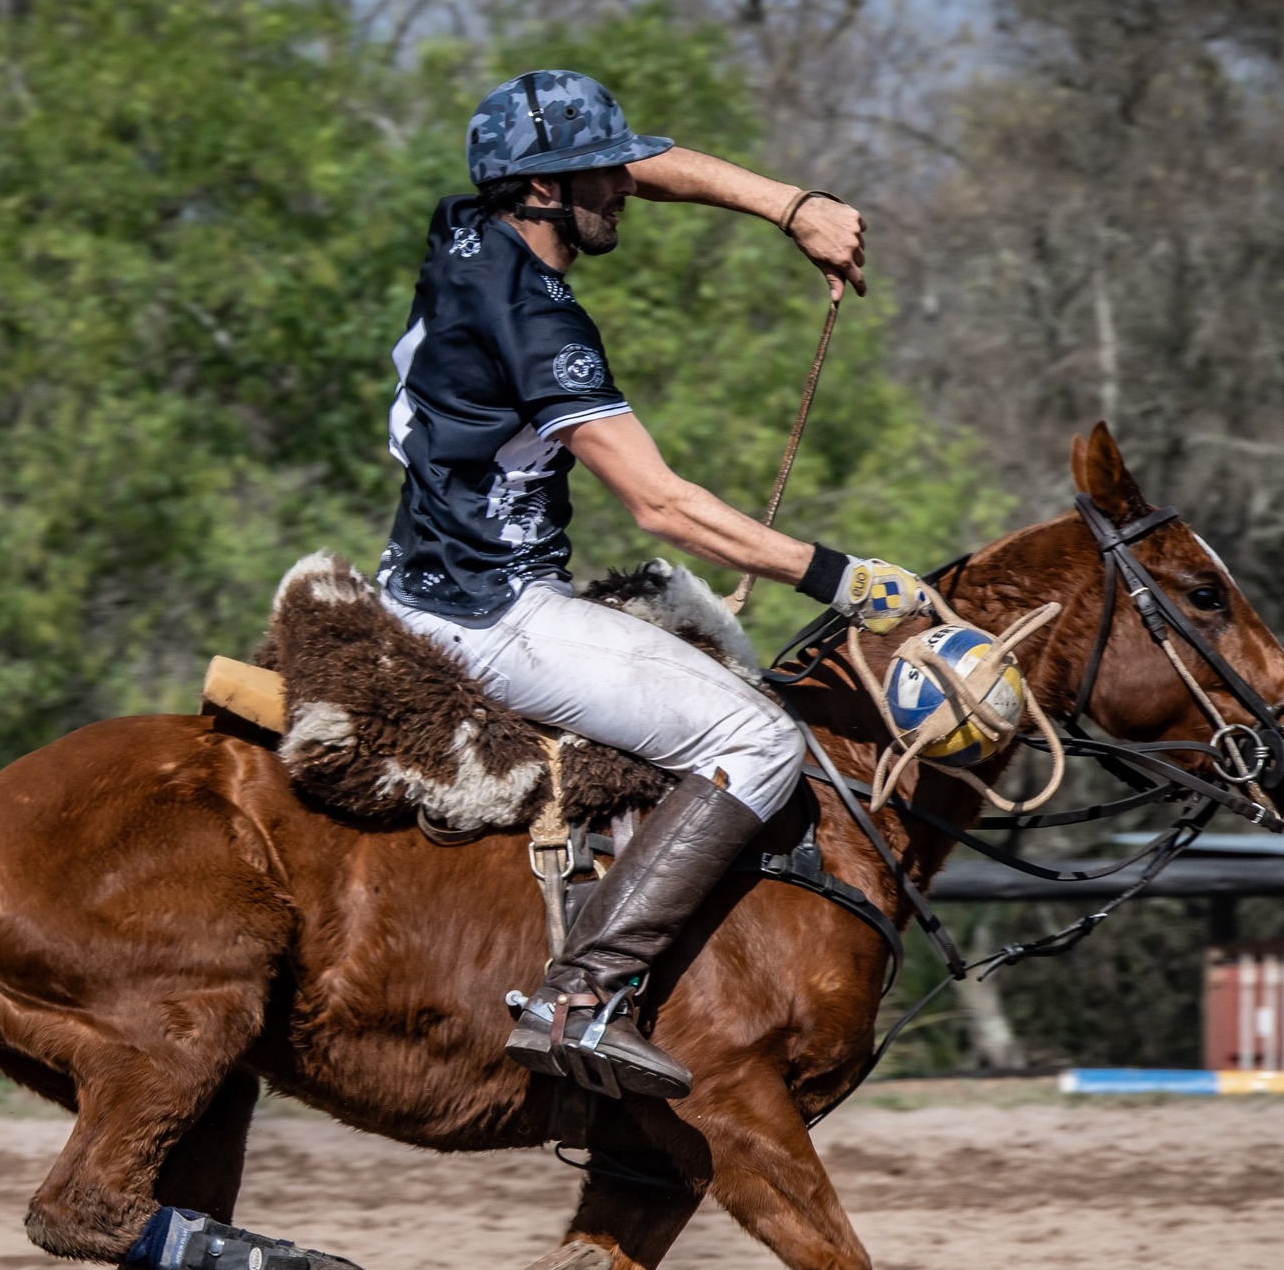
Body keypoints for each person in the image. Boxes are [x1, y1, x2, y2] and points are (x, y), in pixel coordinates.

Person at [378, 69, 933, 1100]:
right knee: (758, 740)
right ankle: (580, 996)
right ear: (544, 189)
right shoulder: (538, 321)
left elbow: (644, 165)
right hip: (491, 615)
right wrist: (842, 578)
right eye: (604, 173)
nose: (626, 186)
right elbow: (661, 504)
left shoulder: (468, 229)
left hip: (425, 582)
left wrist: (792, 207)